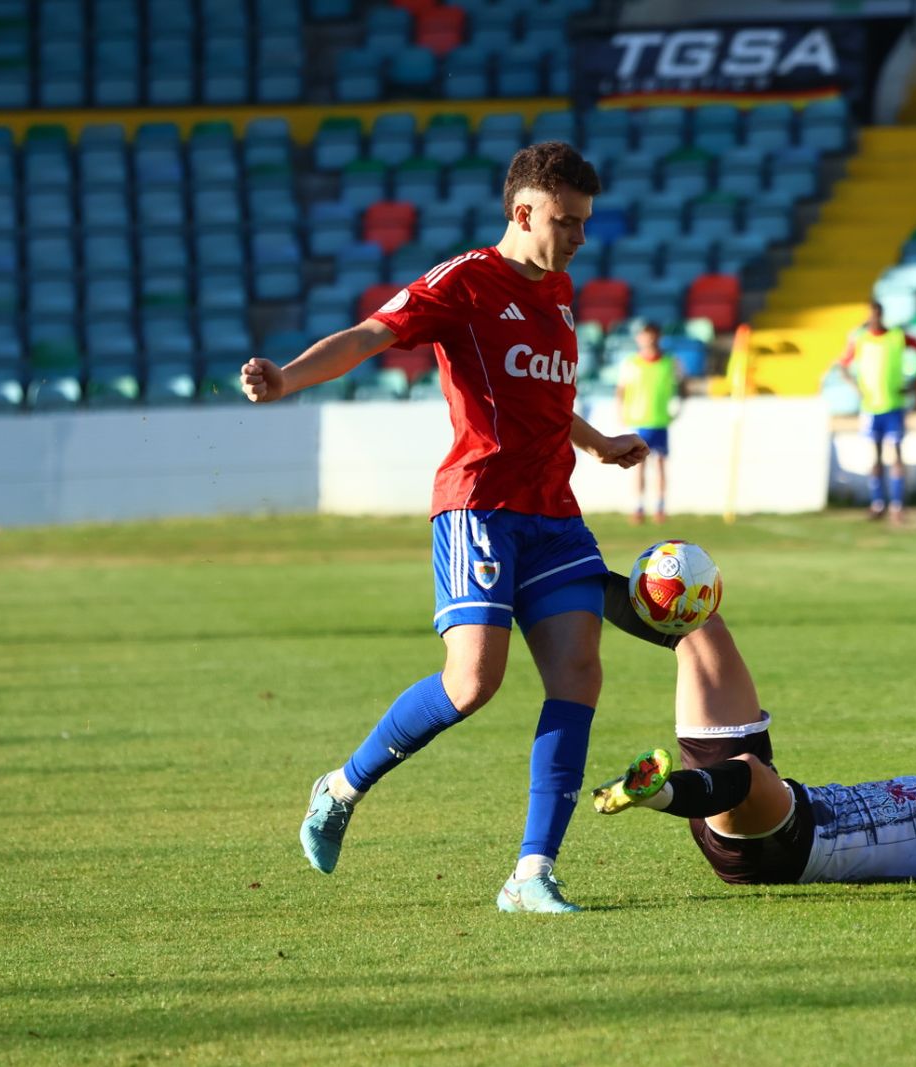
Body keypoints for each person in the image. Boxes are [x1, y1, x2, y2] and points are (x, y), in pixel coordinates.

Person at [239, 142, 649, 914]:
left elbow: (548, 396)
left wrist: (595, 445)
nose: (579, 238)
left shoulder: (558, 288)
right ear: (522, 211)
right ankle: (340, 785)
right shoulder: (463, 281)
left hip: (554, 513)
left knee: (579, 674)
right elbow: (369, 334)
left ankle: (531, 873)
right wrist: (288, 377)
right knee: (472, 682)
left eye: (585, 222)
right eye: (567, 220)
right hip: (481, 506)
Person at [589, 590, 916, 889]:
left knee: (747, 769)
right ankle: (570, 580)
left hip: (781, 845)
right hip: (769, 802)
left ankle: (656, 792)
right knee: (697, 625)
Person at [832, 302, 916, 524]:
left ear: (881, 314)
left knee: (896, 455)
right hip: (870, 407)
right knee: (875, 456)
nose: (873, 319)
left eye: (876, 314)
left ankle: (898, 504)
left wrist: (912, 381)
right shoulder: (860, 339)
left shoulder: (896, 337)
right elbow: (841, 365)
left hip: (894, 405)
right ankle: (878, 503)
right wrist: (855, 387)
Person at [615, 321, 683, 525]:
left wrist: (678, 407)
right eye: (645, 335)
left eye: (652, 335)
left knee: (661, 464)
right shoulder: (631, 363)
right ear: (639, 338)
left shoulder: (670, 362)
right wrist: (619, 412)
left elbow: (680, 386)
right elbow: (621, 390)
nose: (649, 340)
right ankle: (638, 506)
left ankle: (661, 507)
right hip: (638, 420)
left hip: (660, 420)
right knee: (638, 465)